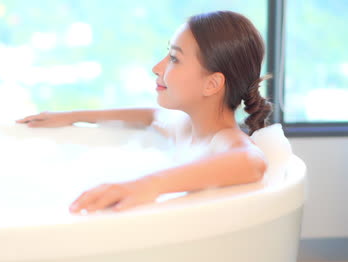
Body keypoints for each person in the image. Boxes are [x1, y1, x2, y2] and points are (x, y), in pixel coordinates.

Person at [16, 11, 273, 214]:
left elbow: (253, 163)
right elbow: (149, 115)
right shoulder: (184, 126)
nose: (156, 67)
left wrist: (147, 185)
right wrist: (72, 116)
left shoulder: (224, 139)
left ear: (212, 84)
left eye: (174, 58)